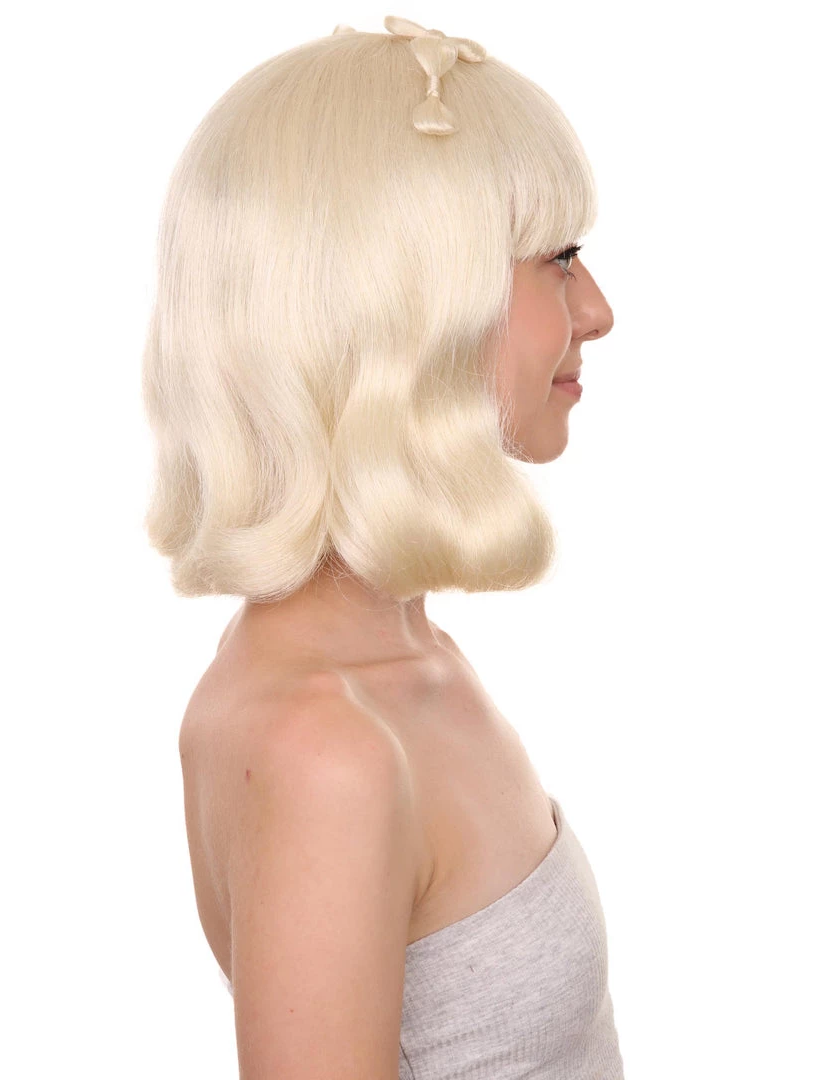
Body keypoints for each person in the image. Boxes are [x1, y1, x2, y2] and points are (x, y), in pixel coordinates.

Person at [142, 14, 620, 1079]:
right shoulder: (324, 747)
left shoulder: (413, 659)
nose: (597, 310)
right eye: (557, 259)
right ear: (399, 301)